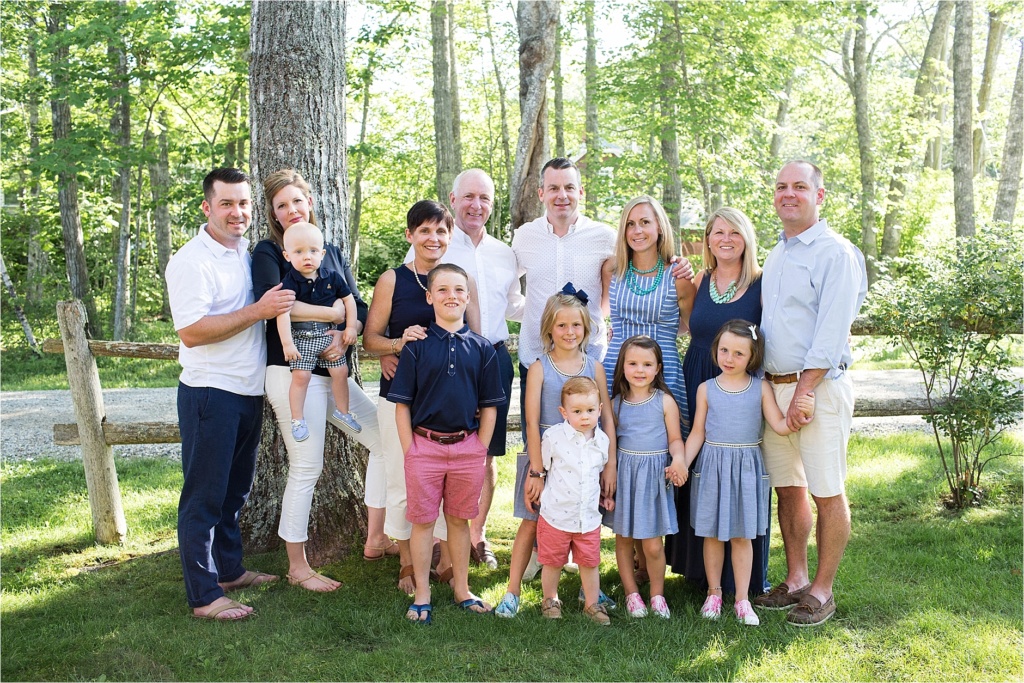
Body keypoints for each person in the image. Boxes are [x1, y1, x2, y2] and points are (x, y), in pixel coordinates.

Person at [253, 169, 392, 593]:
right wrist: (334, 315)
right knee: (307, 467)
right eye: (281, 206)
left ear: (310, 202)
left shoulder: (328, 250)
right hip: (292, 372)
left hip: (333, 373)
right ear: (274, 215)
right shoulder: (268, 252)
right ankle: (298, 566)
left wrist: (346, 330)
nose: (291, 210)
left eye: (297, 201)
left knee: (386, 442)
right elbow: (278, 306)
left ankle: (376, 537)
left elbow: (359, 305)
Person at [166, 167, 294, 620]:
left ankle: (228, 569)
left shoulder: (247, 254)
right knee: (203, 496)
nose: (237, 212)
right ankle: (204, 596)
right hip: (209, 392)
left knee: (235, 492)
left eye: (243, 203)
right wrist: (258, 311)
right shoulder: (191, 260)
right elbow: (193, 332)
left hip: (247, 390)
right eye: (226, 203)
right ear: (207, 207)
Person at [753, 160, 867, 627]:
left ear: (819, 196)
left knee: (826, 490)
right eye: (781, 187)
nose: (788, 194)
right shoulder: (780, 251)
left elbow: (830, 331)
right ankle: (796, 578)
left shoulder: (834, 253)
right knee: (789, 489)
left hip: (816, 390)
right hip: (776, 388)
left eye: (800, 187)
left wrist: (803, 392)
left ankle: (823, 591)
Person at [405, 168, 523, 569]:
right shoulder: (436, 243)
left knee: (484, 453)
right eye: (468, 197)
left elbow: (515, 306)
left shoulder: (505, 253)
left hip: (491, 355)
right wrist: (394, 344)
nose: (476, 205)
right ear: (453, 200)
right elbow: (410, 294)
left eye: (484, 198)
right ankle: (440, 540)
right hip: (441, 358)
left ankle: (478, 536)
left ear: (492, 204)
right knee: (440, 448)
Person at [364, 200, 480, 593]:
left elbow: (474, 338)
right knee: (403, 476)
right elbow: (370, 339)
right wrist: (395, 346)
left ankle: (447, 557)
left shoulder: (460, 279)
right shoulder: (392, 280)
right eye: (425, 231)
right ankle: (409, 562)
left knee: (449, 481)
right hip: (401, 397)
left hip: (449, 402)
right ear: (410, 235)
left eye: (441, 231)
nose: (433, 238)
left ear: (450, 236)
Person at [673, 321, 813, 626]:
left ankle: (741, 599)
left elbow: (778, 423)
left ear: (751, 357)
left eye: (738, 353)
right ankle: (714, 593)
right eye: (724, 350)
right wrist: (683, 461)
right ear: (716, 350)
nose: (729, 358)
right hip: (712, 467)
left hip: (747, 469)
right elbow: (697, 432)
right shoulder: (706, 389)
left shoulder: (759, 388)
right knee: (711, 534)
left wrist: (798, 417)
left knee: (741, 536)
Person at [388, 264, 505, 623]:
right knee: (423, 523)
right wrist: (411, 451)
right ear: (430, 297)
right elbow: (402, 405)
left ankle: (461, 589)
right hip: (425, 448)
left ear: (468, 298)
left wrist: (479, 448)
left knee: (459, 521)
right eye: (442, 290)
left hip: (467, 448)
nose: (451, 296)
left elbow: (489, 407)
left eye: (458, 290)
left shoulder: (483, 348)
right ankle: (422, 593)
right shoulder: (416, 348)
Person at [666, 206, 770, 595]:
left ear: (747, 239)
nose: (725, 239)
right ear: (708, 239)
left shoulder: (763, 282)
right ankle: (698, 570)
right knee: (699, 467)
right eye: (718, 232)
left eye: (734, 232)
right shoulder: (702, 278)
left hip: (741, 383)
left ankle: (740, 580)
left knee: (737, 468)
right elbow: (688, 322)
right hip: (698, 374)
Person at [494, 288, 616, 618]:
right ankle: (513, 591)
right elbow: (531, 421)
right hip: (544, 455)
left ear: (586, 328)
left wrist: (610, 467)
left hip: (585, 462)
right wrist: (536, 470)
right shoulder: (539, 368)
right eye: (561, 326)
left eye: (576, 325)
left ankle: (589, 592)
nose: (569, 332)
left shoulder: (595, 367)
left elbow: (606, 421)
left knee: (586, 521)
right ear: (549, 328)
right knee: (531, 521)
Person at [605, 336, 687, 619]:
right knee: (624, 539)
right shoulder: (615, 404)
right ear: (622, 366)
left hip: (653, 477)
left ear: (658, 368)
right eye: (633, 363)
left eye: (647, 364)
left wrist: (678, 459)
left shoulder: (665, 402)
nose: (639, 370)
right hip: (626, 476)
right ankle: (631, 594)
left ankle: (657, 594)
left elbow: (675, 439)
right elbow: (611, 444)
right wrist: (610, 471)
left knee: (652, 543)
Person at [536, 377, 614, 626]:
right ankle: (550, 599)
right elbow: (545, 467)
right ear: (564, 412)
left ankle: (592, 604)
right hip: (556, 515)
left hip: (588, 518)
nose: (584, 417)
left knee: (590, 562)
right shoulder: (553, 437)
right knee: (553, 561)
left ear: (600, 409)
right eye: (577, 411)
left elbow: (595, 475)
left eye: (590, 410)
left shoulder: (602, 442)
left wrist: (604, 497)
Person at [276, 222, 362, 440]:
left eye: (313, 251)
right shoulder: (290, 281)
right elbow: (283, 313)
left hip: (328, 335)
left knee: (341, 372)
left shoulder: (332, 277)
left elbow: (350, 301)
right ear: (287, 256)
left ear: (322, 253)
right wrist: (287, 343)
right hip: (302, 337)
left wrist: (350, 327)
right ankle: (297, 419)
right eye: (299, 252)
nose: (307, 257)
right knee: (301, 376)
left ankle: (343, 412)